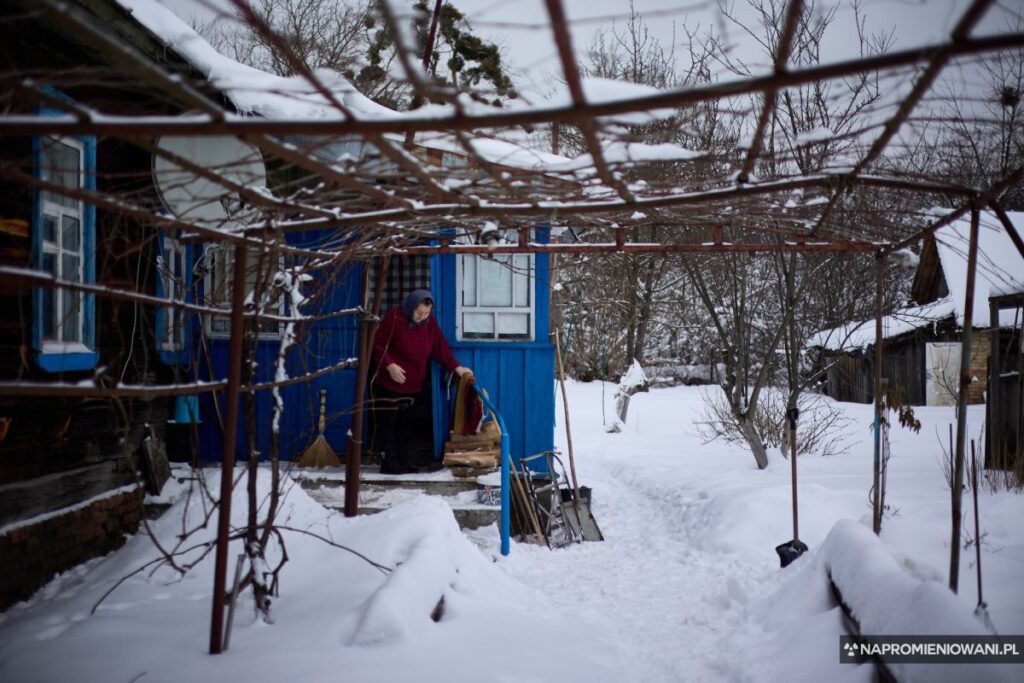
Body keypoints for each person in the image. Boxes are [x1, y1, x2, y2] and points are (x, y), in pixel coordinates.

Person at [370, 289, 471, 474]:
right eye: (419, 312)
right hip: (390, 384)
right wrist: (389, 365)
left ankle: (403, 461)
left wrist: (456, 367)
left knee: (406, 426)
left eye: (426, 313)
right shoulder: (394, 317)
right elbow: (377, 345)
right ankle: (389, 463)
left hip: (414, 383)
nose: (422, 317)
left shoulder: (428, 322)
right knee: (388, 425)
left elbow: (439, 347)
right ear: (411, 307)